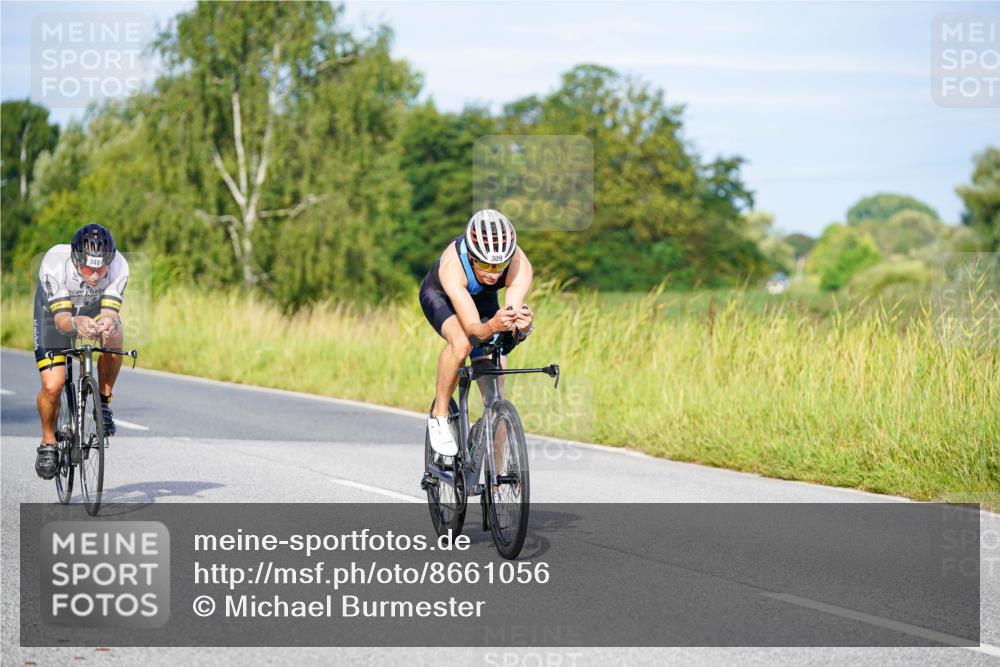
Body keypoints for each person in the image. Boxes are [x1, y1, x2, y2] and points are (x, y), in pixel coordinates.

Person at [418, 209, 534, 455]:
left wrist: (522, 328)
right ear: (471, 256)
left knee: (496, 394)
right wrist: (492, 326)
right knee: (461, 344)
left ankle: (498, 475)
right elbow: (473, 332)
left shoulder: (519, 265)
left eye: (499, 265)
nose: (493, 273)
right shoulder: (453, 266)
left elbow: (510, 322)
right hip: (442, 296)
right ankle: (440, 415)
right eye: (484, 264)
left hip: (483, 301)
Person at [33, 224, 129, 479]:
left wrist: (108, 323)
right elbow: (62, 321)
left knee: (115, 332)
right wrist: (76, 324)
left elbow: (110, 312)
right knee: (53, 386)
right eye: (88, 269)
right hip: (54, 314)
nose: (95, 275)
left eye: (101, 269)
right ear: (76, 260)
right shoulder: (55, 263)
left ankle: (103, 403)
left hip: (91, 308)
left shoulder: (119, 265)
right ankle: (48, 441)